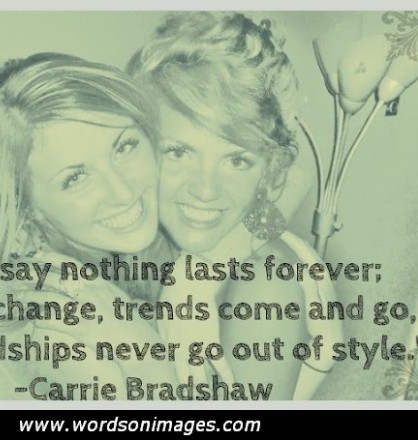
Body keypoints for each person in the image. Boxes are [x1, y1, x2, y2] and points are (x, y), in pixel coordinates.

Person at [0, 53, 178, 400]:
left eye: (124, 147)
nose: (123, 191)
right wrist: (143, 351)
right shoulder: (58, 332)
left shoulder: (115, 263)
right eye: (75, 178)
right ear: (25, 208)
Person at [128, 12, 343, 399]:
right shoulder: (188, 245)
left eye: (237, 160)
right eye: (178, 152)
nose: (206, 189)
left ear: (270, 171)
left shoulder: (265, 284)